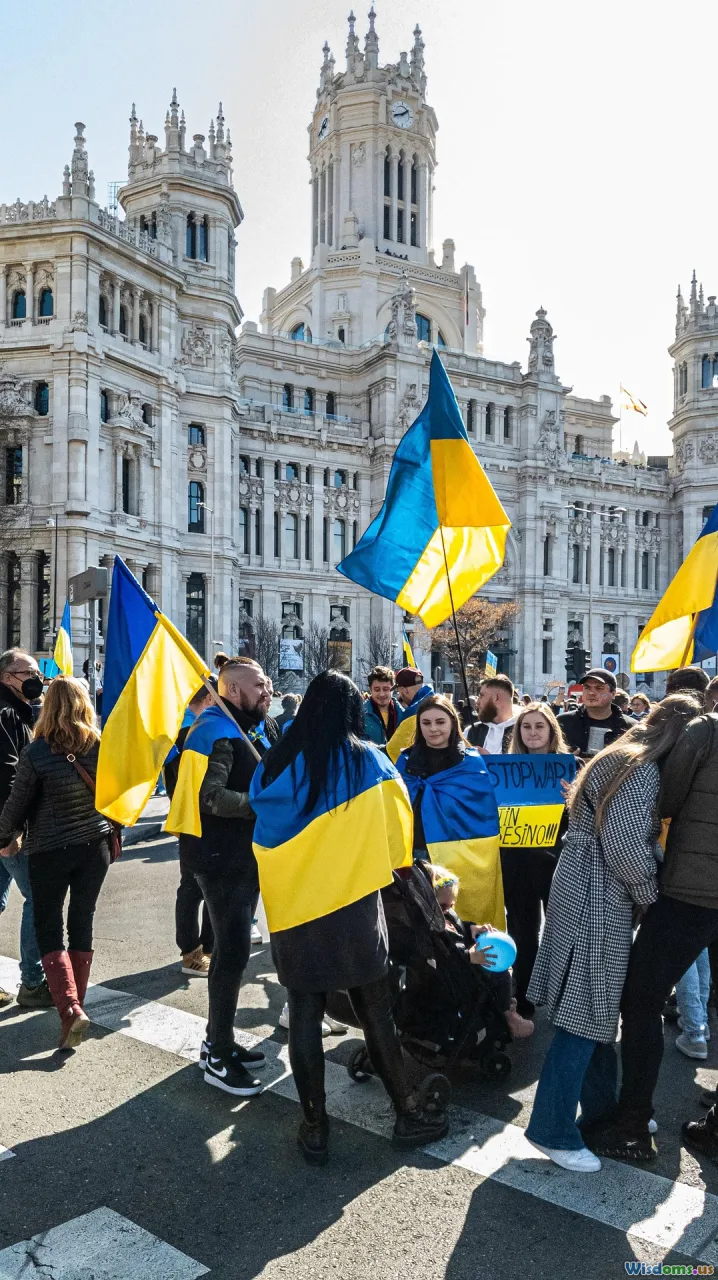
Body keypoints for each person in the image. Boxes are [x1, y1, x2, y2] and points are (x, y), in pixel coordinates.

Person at [252, 670, 450, 1164]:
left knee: (303, 1012)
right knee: (375, 1010)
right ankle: (406, 1114)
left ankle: (314, 1126)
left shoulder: (276, 762)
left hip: (293, 906)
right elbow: (397, 837)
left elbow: (259, 819)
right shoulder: (368, 759)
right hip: (354, 905)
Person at [525, 693, 701, 1173]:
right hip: (596, 892)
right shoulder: (640, 770)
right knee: (583, 1016)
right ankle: (551, 1128)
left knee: (592, 1012)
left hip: (587, 884)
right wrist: (649, 891)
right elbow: (624, 845)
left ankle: (600, 1113)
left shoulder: (623, 757)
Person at [591, 692, 718, 1161]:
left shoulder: (706, 730)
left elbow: (667, 797)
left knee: (640, 1001)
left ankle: (631, 1124)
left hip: (692, 891)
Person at [167, 658, 278, 1097]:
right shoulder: (215, 730)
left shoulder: (247, 726)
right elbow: (209, 797)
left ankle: (222, 1041)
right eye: (259, 684)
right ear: (232, 690)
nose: (267, 689)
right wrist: (263, 802)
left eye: (267, 683)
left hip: (240, 857)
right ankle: (217, 1053)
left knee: (233, 954)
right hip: (220, 859)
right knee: (230, 956)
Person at [0, 676, 115, 1049]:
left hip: (50, 849)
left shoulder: (36, 751)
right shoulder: (100, 745)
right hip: (95, 846)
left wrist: (3, 836)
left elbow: (17, 804)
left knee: (49, 925)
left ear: (48, 706)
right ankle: (76, 1004)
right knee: (83, 920)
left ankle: (69, 1010)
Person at [396, 695, 505, 930]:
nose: (433, 729)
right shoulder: (404, 762)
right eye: (426, 723)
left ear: (453, 723)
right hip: (414, 854)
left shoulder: (472, 764)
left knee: (461, 921)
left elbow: (484, 815)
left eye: (440, 722)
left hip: (463, 858)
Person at [503, 703, 573, 1017]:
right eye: (526, 727)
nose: (532, 733)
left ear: (551, 731)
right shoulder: (505, 769)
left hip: (555, 862)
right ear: (518, 732)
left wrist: (572, 795)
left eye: (539, 727)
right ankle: (526, 992)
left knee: (561, 931)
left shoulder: (571, 767)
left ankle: (564, 995)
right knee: (523, 930)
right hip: (516, 863)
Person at [0, 648, 52, 1010]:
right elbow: (7, 775)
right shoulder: (5, 714)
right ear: (7, 678)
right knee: (39, 898)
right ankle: (33, 984)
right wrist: (9, 831)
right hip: (7, 828)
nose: (35, 679)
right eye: (27, 673)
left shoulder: (18, 712)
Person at [428, 864, 533, 1038]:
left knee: (501, 969)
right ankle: (507, 1016)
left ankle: (504, 1004)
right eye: (444, 906)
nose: (449, 910)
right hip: (456, 976)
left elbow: (459, 926)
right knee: (501, 973)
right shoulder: (432, 928)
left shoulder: (446, 916)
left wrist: (472, 928)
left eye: (452, 905)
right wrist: (470, 957)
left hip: (465, 964)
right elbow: (444, 957)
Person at [164, 681, 217, 977]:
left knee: (206, 888)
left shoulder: (190, 729)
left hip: (200, 819)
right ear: (209, 697)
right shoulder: (186, 732)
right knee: (193, 888)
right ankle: (192, 952)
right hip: (193, 819)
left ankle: (206, 948)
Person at [558, 668, 634, 760]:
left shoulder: (631, 727)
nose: (591, 693)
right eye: (587, 687)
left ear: (613, 693)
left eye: (599, 688)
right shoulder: (563, 723)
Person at [466, 674, 516, 753]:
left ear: (497, 698)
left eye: (481, 696)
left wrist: (489, 760)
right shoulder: (470, 732)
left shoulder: (524, 731)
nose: (477, 702)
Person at [363, 665, 398, 747]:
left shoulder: (404, 714)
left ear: (393, 688)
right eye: (377, 689)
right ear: (370, 689)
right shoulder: (359, 715)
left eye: (386, 689)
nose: (382, 694)